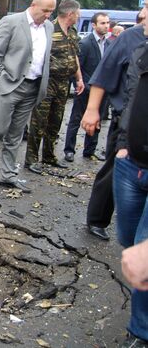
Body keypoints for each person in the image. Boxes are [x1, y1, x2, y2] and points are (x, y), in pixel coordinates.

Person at [0, 0, 57, 193]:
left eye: (52, 11)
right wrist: (0, 79)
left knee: (15, 134)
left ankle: (8, 176)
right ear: (34, 5)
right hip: (9, 84)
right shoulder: (12, 21)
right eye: (45, 10)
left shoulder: (49, 27)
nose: (48, 15)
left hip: (33, 87)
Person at [81, 0, 148, 240]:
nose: (141, 13)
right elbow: (104, 73)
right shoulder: (130, 39)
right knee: (113, 172)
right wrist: (92, 110)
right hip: (127, 127)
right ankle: (97, 219)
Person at [113, 32, 148, 346]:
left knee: (142, 246)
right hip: (131, 163)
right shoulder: (141, 52)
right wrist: (123, 144)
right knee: (127, 239)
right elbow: (132, 100)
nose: (144, 16)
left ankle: (141, 330)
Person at [24, 0, 85, 174]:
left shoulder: (72, 32)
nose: (78, 17)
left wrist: (79, 78)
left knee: (56, 121)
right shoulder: (48, 29)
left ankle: (49, 156)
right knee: (39, 121)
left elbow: (74, 57)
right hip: (47, 82)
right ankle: (31, 159)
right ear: (70, 14)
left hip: (64, 83)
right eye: (78, 14)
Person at [63, 12, 110, 162]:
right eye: (102, 23)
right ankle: (69, 150)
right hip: (85, 89)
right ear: (94, 25)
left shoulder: (109, 44)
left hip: (102, 91)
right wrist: (79, 83)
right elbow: (76, 67)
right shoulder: (86, 43)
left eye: (107, 22)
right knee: (76, 119)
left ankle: (89, 150)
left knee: (97, 121)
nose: (106, 26)